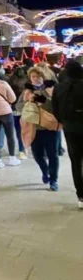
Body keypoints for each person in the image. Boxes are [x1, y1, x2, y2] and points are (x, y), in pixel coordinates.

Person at [52, 60, 83, 208]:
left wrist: (64, 121)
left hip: (70, 128)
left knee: (76, 161)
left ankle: (81, 196)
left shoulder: (59, 88)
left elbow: (55, 110)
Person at [23, 67, 61, 191]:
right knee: (38, 154)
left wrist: (42, 100)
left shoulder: (51, 89)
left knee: (52, 154)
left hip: (50, 126)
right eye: (33, 76)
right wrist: (28, 102)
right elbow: (18, 106)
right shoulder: (27, 91)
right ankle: (45, 171)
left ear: (43, 77)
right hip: (34, 128)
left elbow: (57, 105)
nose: (36, 79)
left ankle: (53, 180)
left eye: (38, 76)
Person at [8, 65, 29, 159]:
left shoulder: (10, 81)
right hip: (27, 108)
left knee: (18, 130)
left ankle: (21, 150)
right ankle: (25, 147)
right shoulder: (28, 82)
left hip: (14, 109)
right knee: (27, 130)